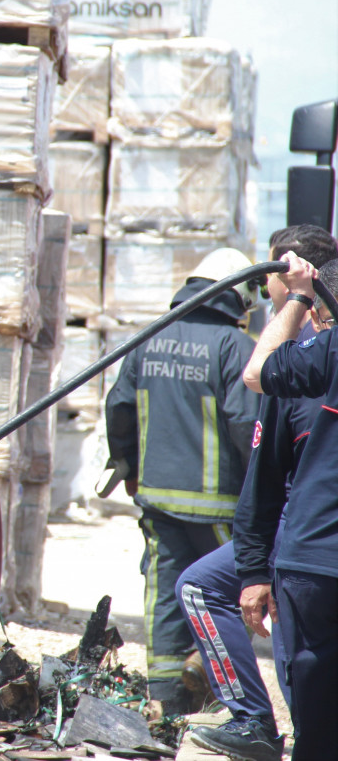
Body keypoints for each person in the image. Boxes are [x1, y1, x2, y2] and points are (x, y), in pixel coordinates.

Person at [178, 228, 337, 761]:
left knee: (307, 680)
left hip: (305, 554)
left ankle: (258, 724)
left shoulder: (309, 363)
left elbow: (256, 379)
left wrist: (255, 570)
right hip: (299, 549)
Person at [104, 247, 261, 714]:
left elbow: (119, 408)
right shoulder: (235, 348)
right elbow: (244, 425)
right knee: (233, 597)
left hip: (156, 498)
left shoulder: (149, 339)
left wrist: (126, 467)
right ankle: (211, 680)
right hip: (220, 507)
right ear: (237, 297)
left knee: (164, 596)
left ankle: (164, 701)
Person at [243, 251, 338, 759]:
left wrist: (299, 295)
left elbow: (257, 372)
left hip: (316, 563)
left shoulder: (328, 349)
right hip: (314, 563)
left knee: (318, 729)